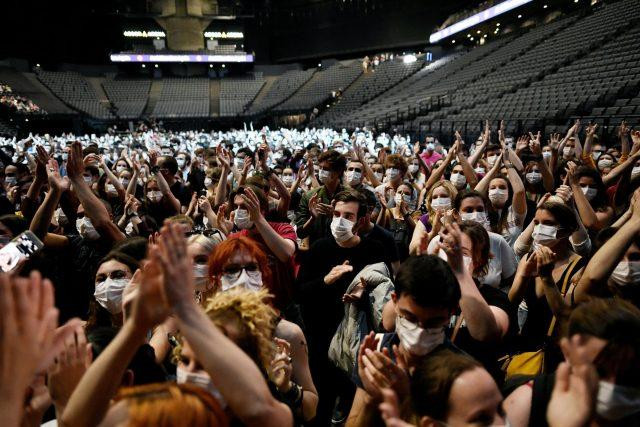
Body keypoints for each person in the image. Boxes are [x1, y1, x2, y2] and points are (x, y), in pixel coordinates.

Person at [297, 189, 388, 425]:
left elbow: (385, 295)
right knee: (321, 407)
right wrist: (325, 281)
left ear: (360, 221)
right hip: (322, 337)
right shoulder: (319, 248)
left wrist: (362, 292)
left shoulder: (374, 249)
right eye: (336, 214)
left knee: (352, 405)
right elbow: (301, 293)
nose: (339, 220)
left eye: (348, 216)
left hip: (358, 338)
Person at [347, 255, 462, 427]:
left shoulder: (461, 375)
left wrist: (406, 398)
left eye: (433, 323)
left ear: (450, 314)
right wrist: (372, 399)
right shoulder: (376, 352)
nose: (420, 333)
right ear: (394, 301)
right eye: (410, 318)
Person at [295, 150, 346, 245]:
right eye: (320, 168)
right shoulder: (310, 196)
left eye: (326, 169)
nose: (322, 172)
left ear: (338, 171)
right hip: (316, 249)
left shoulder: (350, 196)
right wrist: (312, 219)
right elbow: (301, 233)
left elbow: (357, 229)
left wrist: (335, 215)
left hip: (343, 247)